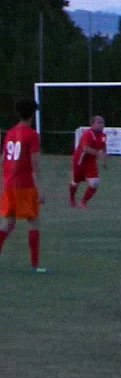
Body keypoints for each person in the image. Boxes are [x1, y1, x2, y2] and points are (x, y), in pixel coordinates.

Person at [1, 99, 46, 272]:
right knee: (34, 223)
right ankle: (35, 265)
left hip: (9, 184)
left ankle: (35, 265)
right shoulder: (32, 135)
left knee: (8, 223)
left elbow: (4, 158)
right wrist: (40, 189)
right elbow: (35, 164)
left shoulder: (11, 132)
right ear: (33, 114)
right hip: (24, 185)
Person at [69, 115, 108, 208]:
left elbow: (104, 147)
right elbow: (85, 148)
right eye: (99, 122)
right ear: (92, 124)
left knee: (95, 183)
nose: (101, 125)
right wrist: (99, 154)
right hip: (80, 161)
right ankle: (72, 199)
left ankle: (83, 202)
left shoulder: (103, 135)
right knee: (75, 182)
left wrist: (104, 160)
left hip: (91, 162)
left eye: (102, 123)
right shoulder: (88, 134)